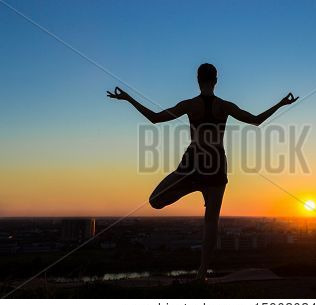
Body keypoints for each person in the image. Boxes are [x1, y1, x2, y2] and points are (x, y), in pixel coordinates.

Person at [107, 63, 298, 280]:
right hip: (216, 164)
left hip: (193, 162)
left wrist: (129, 99)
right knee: (211, 221)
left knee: (155, 200)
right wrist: (281, 104)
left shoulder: (190, 105)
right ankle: (201, 273)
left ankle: (192, 188)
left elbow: (155, 118)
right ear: (216, 80)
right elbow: (256, 121)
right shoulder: (224, 106)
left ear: (197, 80)